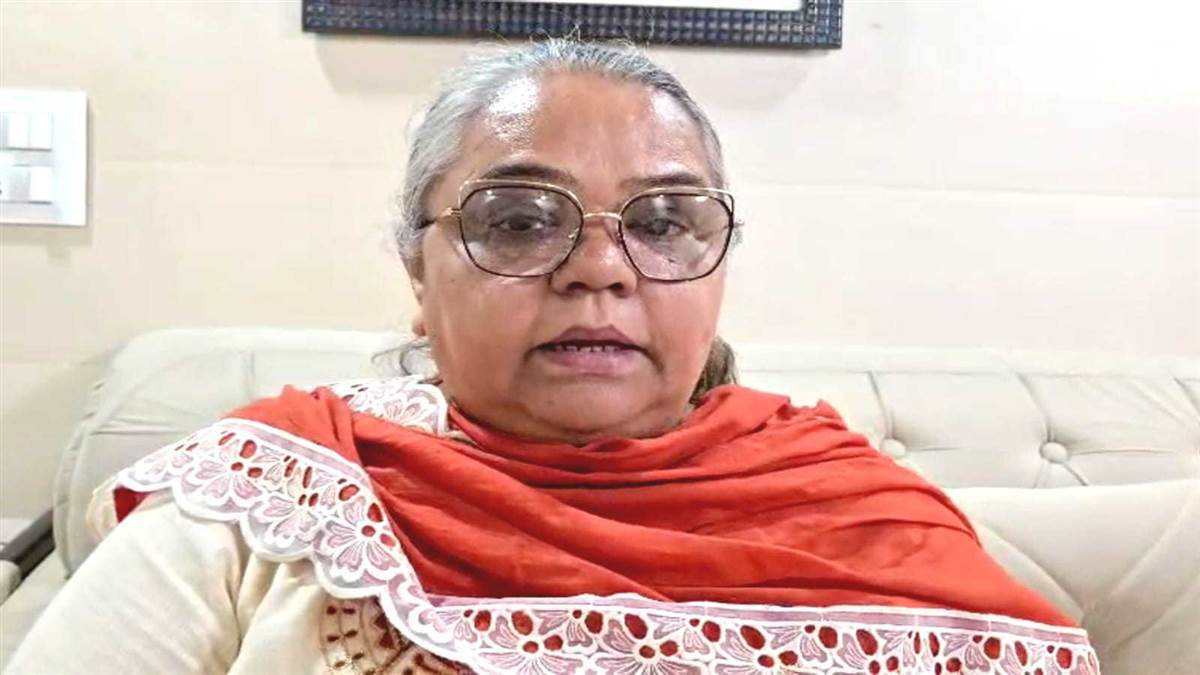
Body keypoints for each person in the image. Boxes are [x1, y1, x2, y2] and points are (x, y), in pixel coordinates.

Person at [7, 39, 1097, 674]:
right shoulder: (268, 498)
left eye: (663, 222)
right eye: (521, 220)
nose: (602, 270)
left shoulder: (856, 509)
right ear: (419, 275)